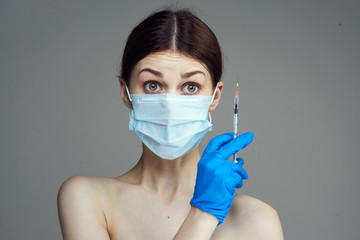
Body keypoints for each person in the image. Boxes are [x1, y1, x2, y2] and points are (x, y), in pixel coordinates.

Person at [57, 8, 284, 240]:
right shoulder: (86, 198)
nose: (170, 105)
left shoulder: (257, 220)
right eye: (153, 85)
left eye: (191, 87)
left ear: (215, 96)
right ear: (125, 93)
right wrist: (203, 214)